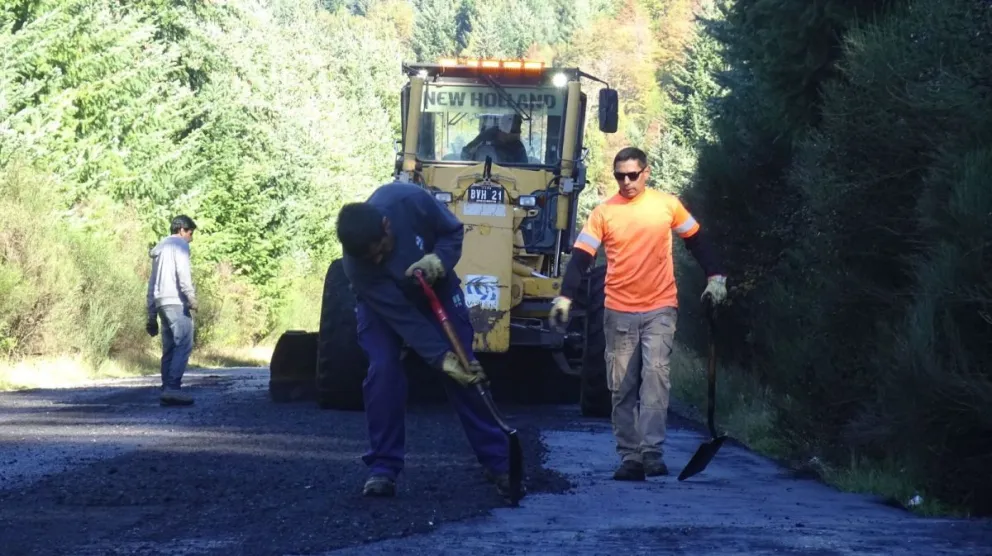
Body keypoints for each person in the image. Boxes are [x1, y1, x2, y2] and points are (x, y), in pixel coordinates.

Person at [549, 147, 728, 481]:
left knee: (656, 378)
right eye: (620, 176)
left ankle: (652, 453)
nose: (627, 182)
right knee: (621, 387)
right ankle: (630, 457)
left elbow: (697, 239)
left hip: (660, 306)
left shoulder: (666, 205)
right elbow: (581, 257)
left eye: (633, 175)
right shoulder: (603, 213)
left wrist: (716, 277)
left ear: (647, 172)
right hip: (618, 310)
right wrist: (564, 297)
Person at [335, 180, 517, 501]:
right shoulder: (357, 267)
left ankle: (500, 462)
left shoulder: (410, 200)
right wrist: (440, 358)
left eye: (381, 251)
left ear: (386, 226)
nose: (377, 261)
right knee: (383, 370)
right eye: (370, 259)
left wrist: (438, 261)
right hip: (386, 307)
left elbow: (453, 232)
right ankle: (384, 467)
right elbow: (404, 318)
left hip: (438, 288)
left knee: (466, 369)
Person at [145, 215, 199, 407]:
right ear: (182, 230)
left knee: (169, 348)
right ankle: (173, 389)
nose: (191, 238)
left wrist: (151, 314)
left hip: (161, 303)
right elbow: (183, 274)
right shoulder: (180, 246)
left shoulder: (159, 250)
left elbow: (151, 283)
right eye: (190, 233)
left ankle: (166, 388)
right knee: (183, 344)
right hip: (176, 301)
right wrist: (191, 298)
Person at [461, 113, 529, 164]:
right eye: (515, 131)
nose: (519, 133)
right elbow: (464, 157)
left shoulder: (517, 147)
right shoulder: (482, 141)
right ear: (505, 131)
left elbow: (525, 170)